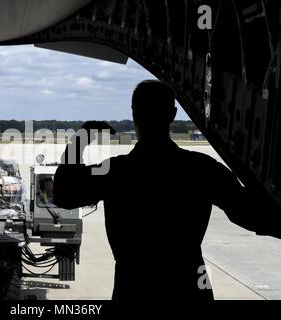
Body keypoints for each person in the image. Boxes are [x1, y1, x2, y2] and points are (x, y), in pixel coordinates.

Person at [53, 80, 280, 302]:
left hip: (133, 288)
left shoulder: (115, 172)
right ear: (172, 115)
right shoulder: (202, 168)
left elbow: (63, 193)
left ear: (134, 114)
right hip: (189, 287)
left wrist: (81, 139)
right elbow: (251, 214)